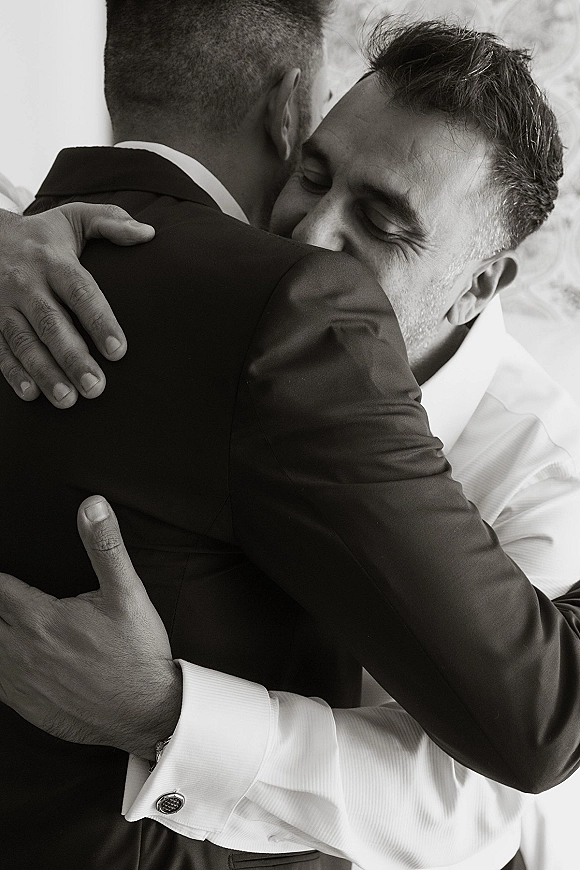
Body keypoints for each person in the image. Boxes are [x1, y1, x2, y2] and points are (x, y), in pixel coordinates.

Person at [0, 9, 579, 870]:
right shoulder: (173, 287)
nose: (311, 233)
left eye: (382, 223)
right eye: (314, 174)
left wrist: (165, 711)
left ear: (479, 285)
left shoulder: (547, 477)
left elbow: (476, 805)